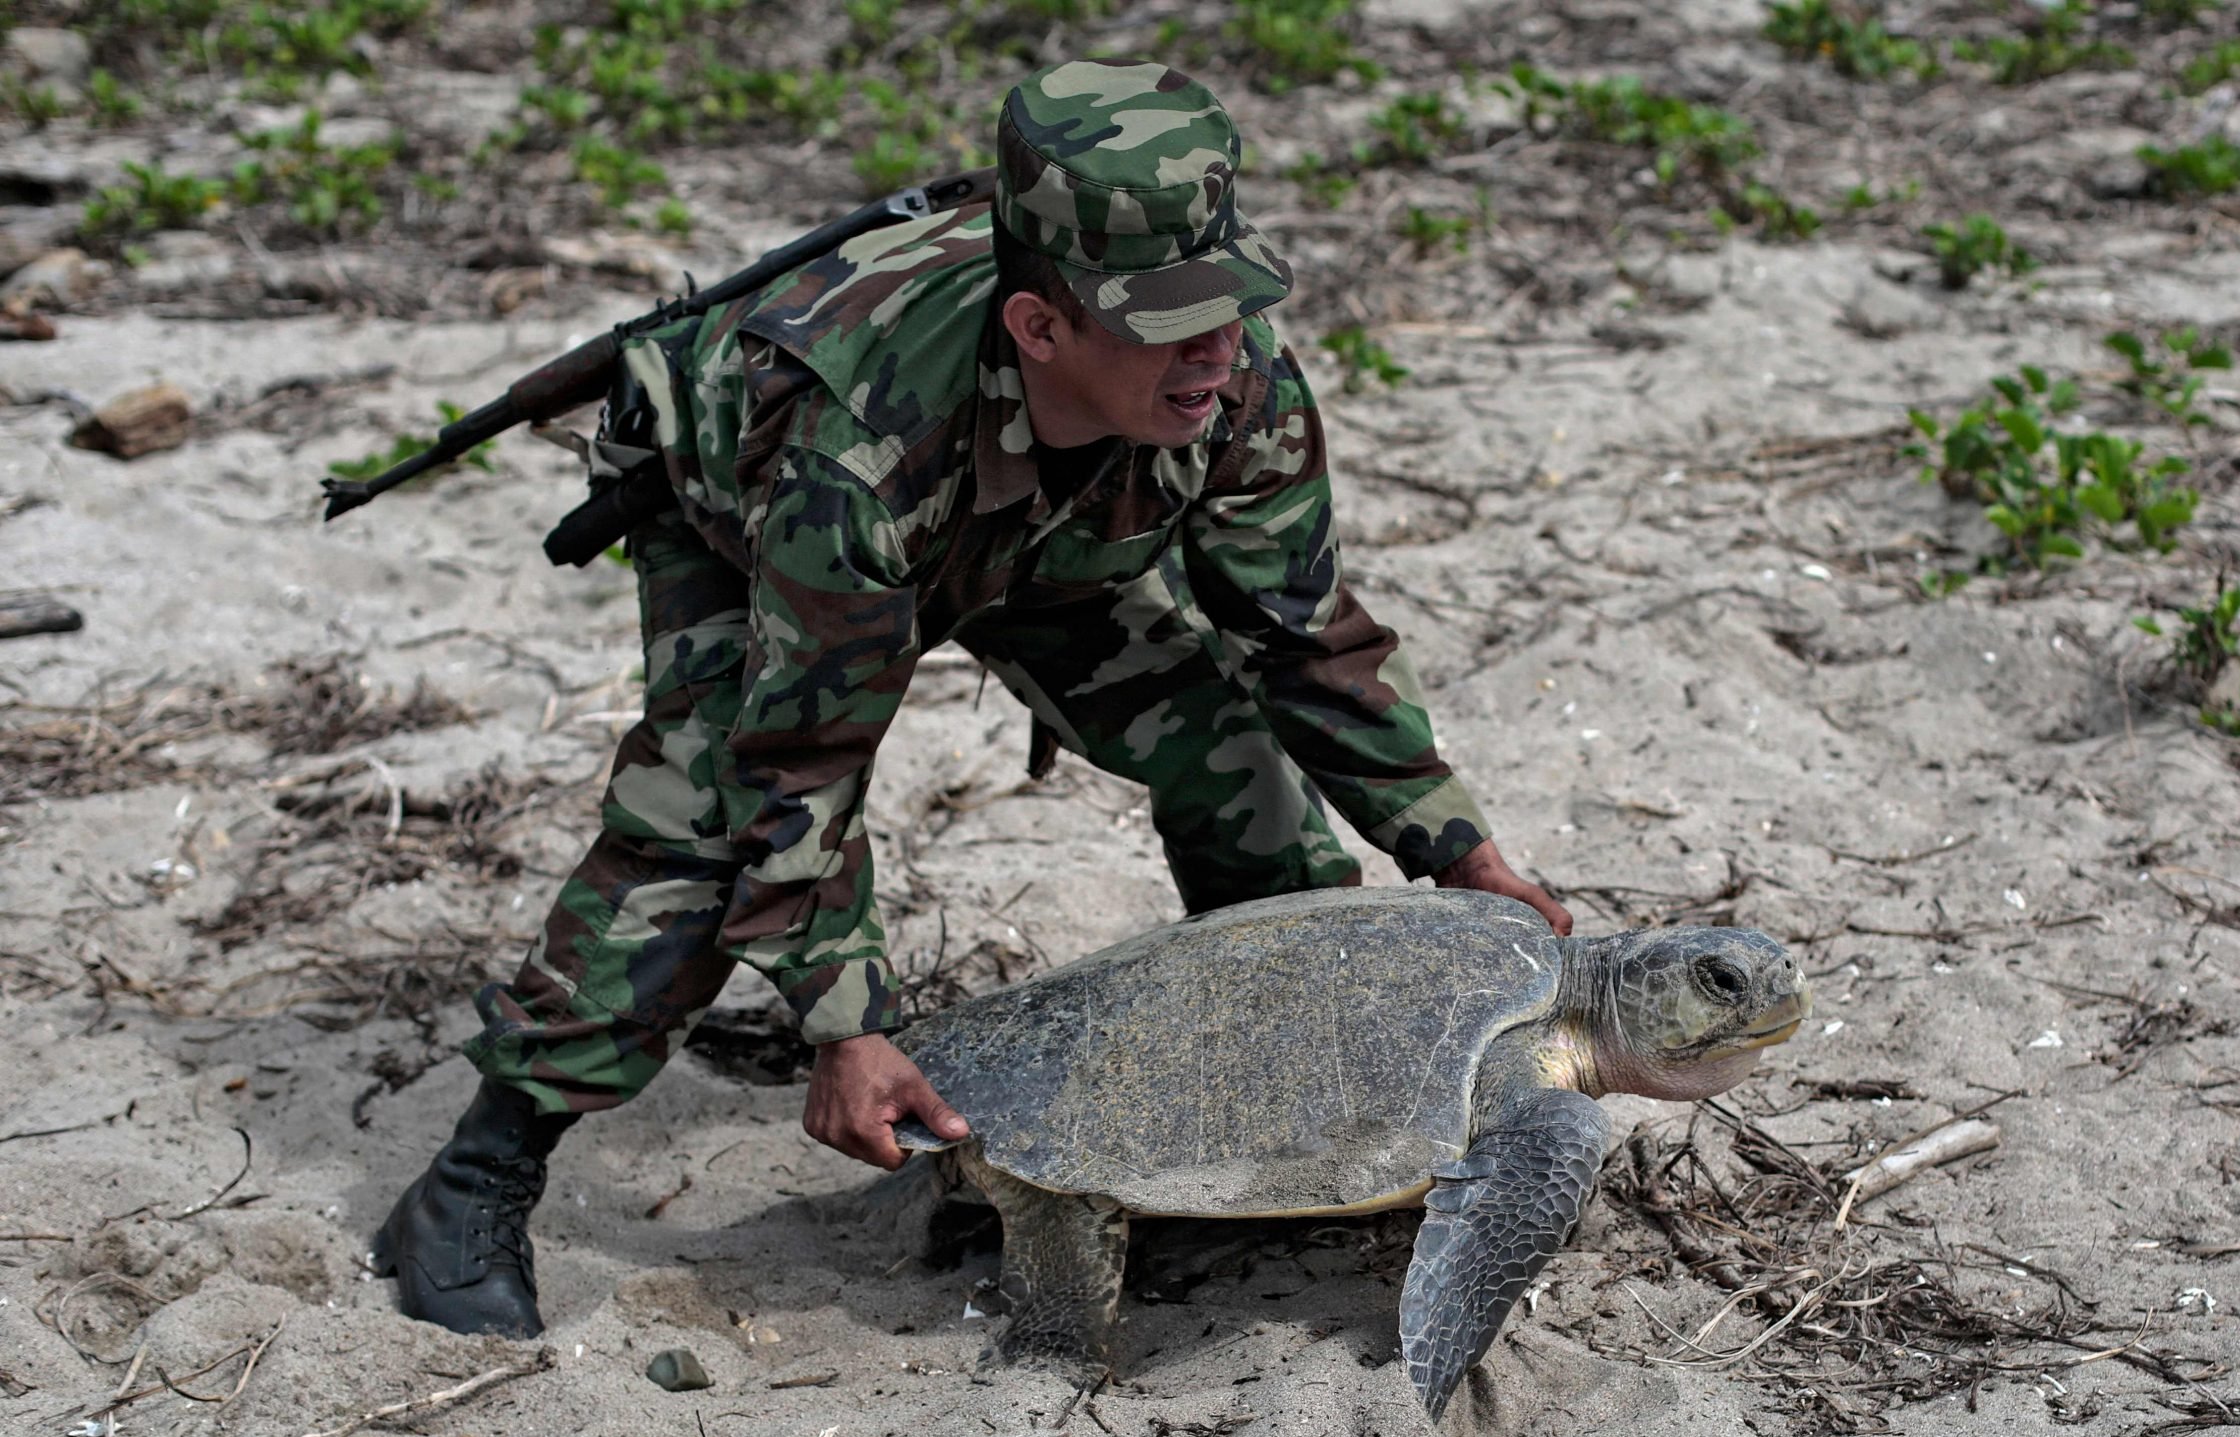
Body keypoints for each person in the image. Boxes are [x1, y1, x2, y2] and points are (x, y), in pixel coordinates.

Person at [372, 58, 1571, 1337]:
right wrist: (848, 1025)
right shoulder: (855, 455)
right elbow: (802, 758)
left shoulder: (1228, 381)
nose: (1219, 346)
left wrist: (1458, 846)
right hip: (760, 532)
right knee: (699, 833)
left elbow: (1301, 636)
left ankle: (1299, 1077)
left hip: (1047, 524)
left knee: (1220, 734)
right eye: (1170, 319)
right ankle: (473, 1177)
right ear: (1041, 326)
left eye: (1231, 300)